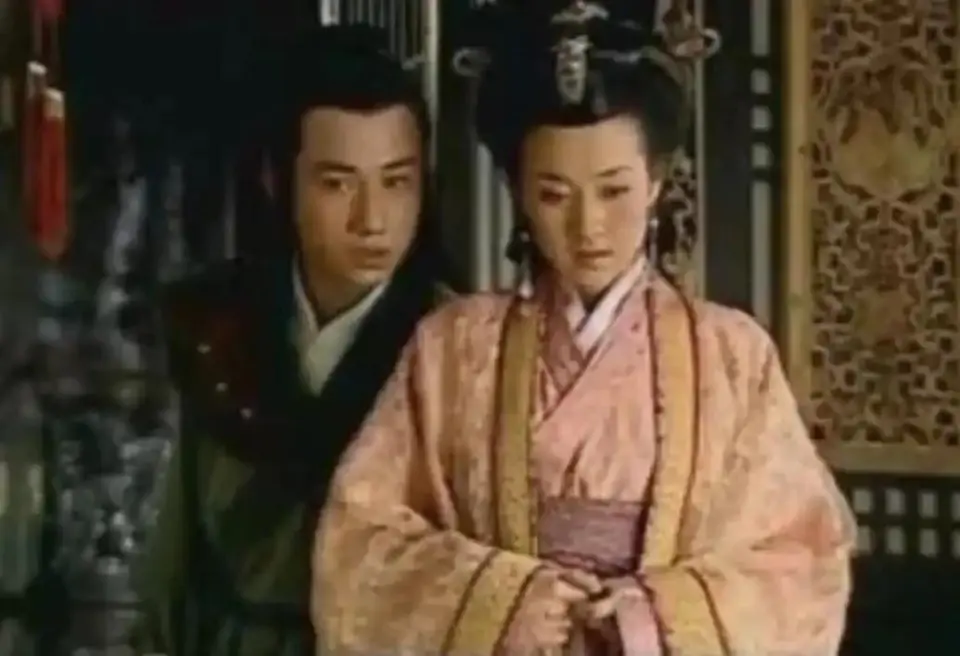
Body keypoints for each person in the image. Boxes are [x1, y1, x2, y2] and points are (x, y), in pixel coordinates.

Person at [311, 1, 856, 654]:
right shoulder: (452, 346)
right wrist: (504, 600)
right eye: (553, 194)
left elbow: (801, 557)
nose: (588, 225)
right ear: (517, 191)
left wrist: (657, 614)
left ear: (656, 181)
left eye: (614, 190)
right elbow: (360, 541)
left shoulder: (731, 355)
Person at [130, 24, 460, 656]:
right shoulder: (216, 326)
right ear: (277, 180)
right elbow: (172, 567)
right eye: (338, 183)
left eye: (397, 182)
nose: (372, 220)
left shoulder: (459, 348)